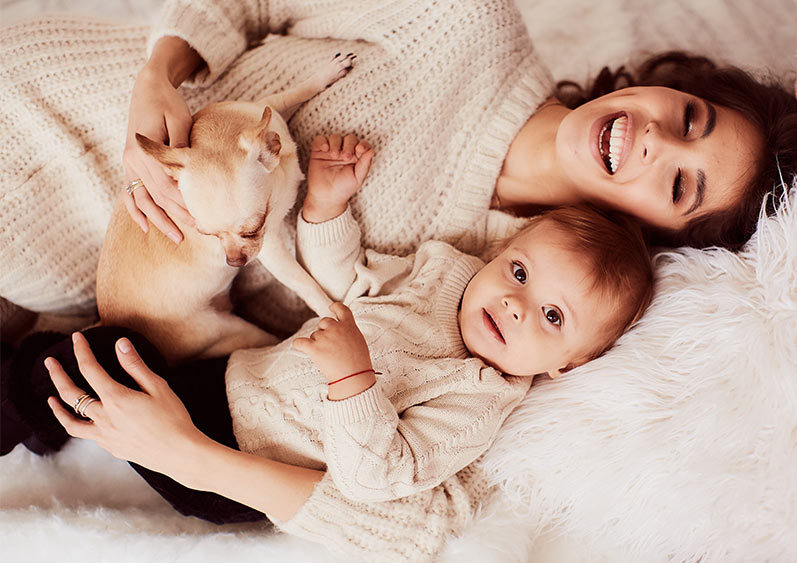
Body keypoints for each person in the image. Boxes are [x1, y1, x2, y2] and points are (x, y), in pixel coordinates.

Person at [1, 136, 655, 561]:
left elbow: (379, 475)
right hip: (230, 376)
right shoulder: (444, 273)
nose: (515, 302)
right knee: (112, 348)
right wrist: (326, 210)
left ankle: (17, 409)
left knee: (91, 362)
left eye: (550, 314)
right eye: (518, 271)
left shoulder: (477, 399)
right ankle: (38, 409)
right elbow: (346, 280)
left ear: (565, 365)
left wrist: (354, 382)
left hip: (237, 461)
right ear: (501, 253)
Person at [0, 0, 797, 335]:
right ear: (671, 85)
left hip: (68, 273)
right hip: (50, 92)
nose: (654, 140)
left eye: (679, 183)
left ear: (660, 230)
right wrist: (159, 75)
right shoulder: (465, 16)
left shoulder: (502, 284)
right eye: (692, 118)